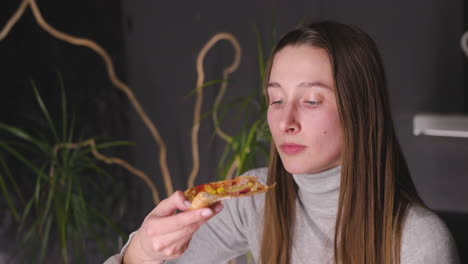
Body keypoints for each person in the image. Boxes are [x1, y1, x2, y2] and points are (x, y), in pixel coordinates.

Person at [105, 21, 460, 264]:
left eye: (311, 101)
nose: (285, 122)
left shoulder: (418, 241)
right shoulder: (254, 202)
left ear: (360, 110)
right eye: (276, 99)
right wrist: (141, 252)